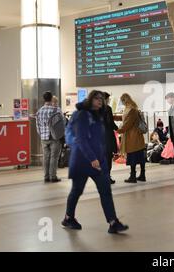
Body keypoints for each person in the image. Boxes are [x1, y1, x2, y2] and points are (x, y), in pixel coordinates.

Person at [62, 90, 128, 233]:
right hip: (82, 160)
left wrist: (101, 157)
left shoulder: (98, 116)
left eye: (101, 99)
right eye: (97, 98)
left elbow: (98, 140)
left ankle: (113, 222)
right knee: (76, 190)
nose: (100, 101)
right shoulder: (82, 115)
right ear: (90, 100)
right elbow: (81, 139)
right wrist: (92, 158)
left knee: (105, 190)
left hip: (98, 161)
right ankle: (68, 218)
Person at [118, 93, 146, 183]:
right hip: (135, 137)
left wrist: (118, 130)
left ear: (125, 100)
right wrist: (114, 117)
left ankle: (133, 176)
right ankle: (142, 175)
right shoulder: (131, 108)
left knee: (133, 156)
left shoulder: (131, 109)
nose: (122, 103)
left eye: (122, 101)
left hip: (133, 137)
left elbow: (127, 123)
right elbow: (125, 119)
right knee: (140, 156)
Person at [36, 91, 63, 183]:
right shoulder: (56, 110)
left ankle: (46, 176)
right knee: (54, 157)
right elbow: (62, 124)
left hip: (43, 138)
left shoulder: (39, 111)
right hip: (54, 137)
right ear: (51, 98)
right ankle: (53, 177)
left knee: (46, 157)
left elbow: (37, 125)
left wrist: (42, 135)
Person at [102, 92, 118, 185]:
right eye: (108, 99)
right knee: (108, 158)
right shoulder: (107, 109)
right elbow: (110, 123)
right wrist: (118, 129)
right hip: (107, 136)